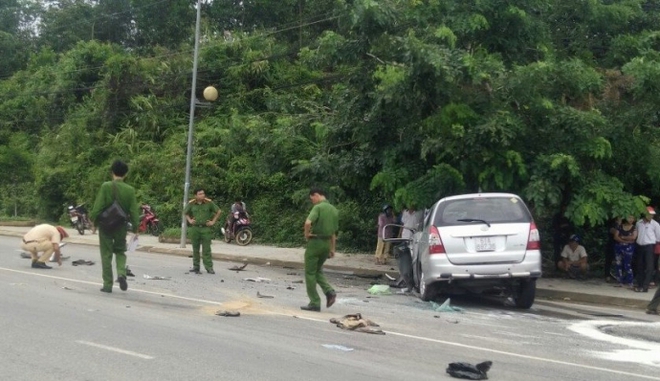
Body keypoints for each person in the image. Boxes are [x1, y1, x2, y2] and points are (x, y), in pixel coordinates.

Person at [90, 160, 140, 293]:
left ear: (112, 172)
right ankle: (121, 274)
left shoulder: (106, 186)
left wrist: (94, 222)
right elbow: (134, 211)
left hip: (105, 225)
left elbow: (98, 207)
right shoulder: (130, 190)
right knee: (120, 251)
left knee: (106, 254)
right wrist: (135, 228)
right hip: (120, 226)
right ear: (126, 174)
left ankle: (107, 285)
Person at [301, 187, 339, 312]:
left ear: (317, 195)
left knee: (310, 273)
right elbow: (334, 233)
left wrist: (306, 234)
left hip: (316, 243)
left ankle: (315, 302)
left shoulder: (318, 207)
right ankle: (329, 291)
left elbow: (308, 223)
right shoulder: (333, 210)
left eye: (312, 199)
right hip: (327, 244)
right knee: (318, 270)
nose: (313, 202)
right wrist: (332, 249)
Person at [184, 188, 222, 274]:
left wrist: (213, 221)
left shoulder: (209, 203)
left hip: (206, 228)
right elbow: (185, 212)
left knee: (207, 249)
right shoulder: (191, 203)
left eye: (203, 193)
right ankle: (196, 267)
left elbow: (218, 211)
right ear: (195, 195)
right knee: (195, 248)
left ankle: (209, 267)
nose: (202, 195)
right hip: (195, 228)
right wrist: (189, 220)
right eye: (200, 194)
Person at [634, 206, 660, 292]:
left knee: (649, 266)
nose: (651, 216)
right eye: (649, 214)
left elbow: (658, 237)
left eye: (652, 215)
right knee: (640, 265)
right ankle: (640, 284)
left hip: (650, 246)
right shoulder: (638, 223)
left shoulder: (655, 224)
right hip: (640, 245)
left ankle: (645, 286)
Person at [613, 215, 636, 288]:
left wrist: (622, 237)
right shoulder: (620, 226)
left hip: (628, 248)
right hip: (619, 247)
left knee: (627, 264)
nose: (631, 219)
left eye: (632, 218)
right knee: (618, 263)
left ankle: (630, 281)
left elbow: (633, 237)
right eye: (629, 217)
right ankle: (620, 281)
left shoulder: (634, 228)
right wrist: (624, 240)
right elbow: (615, 237)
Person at [551, 206, 573, 270]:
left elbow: (570, 226)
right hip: (558, 235)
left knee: (566, 251)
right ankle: (557, 266)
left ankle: (566, 266)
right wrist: (562, 227)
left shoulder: (569, 216)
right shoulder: (557, 216)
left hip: (566, 236)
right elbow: (555, 226)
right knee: (557, 251)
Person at [604, 217, 620, 281]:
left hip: (621, 244)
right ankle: (607, 275)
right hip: (612, 243)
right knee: (609, 259)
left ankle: (619, 276)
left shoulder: (624, 223)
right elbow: (614, 231)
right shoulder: (612, 223)